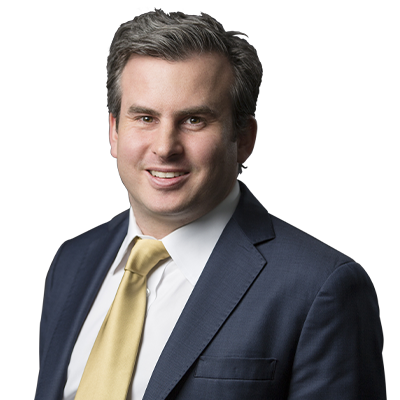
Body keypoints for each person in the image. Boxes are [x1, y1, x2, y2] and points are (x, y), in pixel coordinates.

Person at [35, 10, 386, 400]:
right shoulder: (72, 262)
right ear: (115, 131)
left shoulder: (320, 288)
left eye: (194, 120)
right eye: (145, 117)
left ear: (244, 138)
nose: (165, 147)